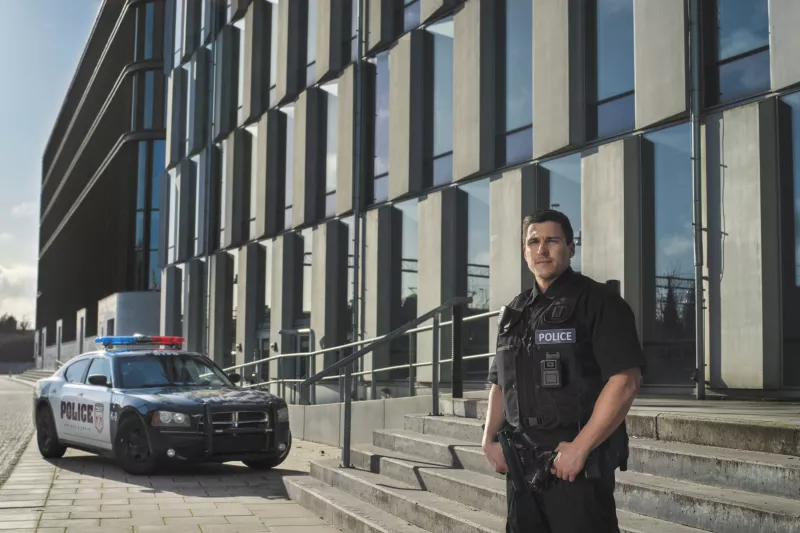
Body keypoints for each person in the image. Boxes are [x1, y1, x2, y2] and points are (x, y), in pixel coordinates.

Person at [482, 209, 645, 533]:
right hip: (521, 470)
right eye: (533, 241)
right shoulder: (515, 311)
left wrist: (580, 448)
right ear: (524, 251)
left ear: (571, 247)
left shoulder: (599, 302)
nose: (541, 249)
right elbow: (500, 382)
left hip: (574, 468)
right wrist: (488, 440)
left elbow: (625, 382)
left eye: (552, 240)